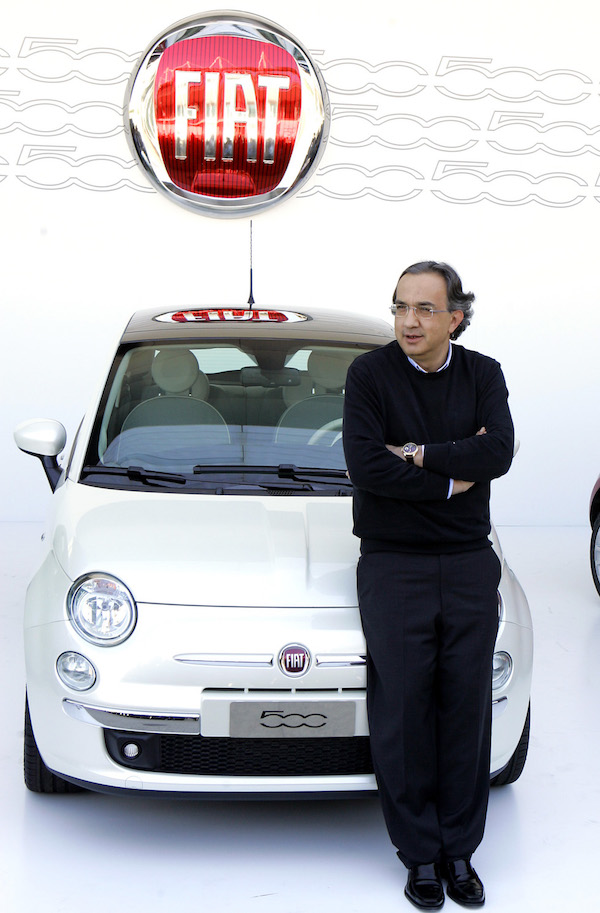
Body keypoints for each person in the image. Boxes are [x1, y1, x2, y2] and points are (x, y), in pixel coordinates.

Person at [342, 261, 514, 910]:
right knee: (404, 711)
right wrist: (450, 476)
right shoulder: (369, 375)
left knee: (466, 707)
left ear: (455, 317)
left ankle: (459, 851)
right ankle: (418, 854)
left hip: (468, 562)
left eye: (423, 308)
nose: (408, 321)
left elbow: (497, 452)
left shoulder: (484, 374)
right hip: (394, 564)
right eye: (399, 307)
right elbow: (366, 465)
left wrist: (415, 453)